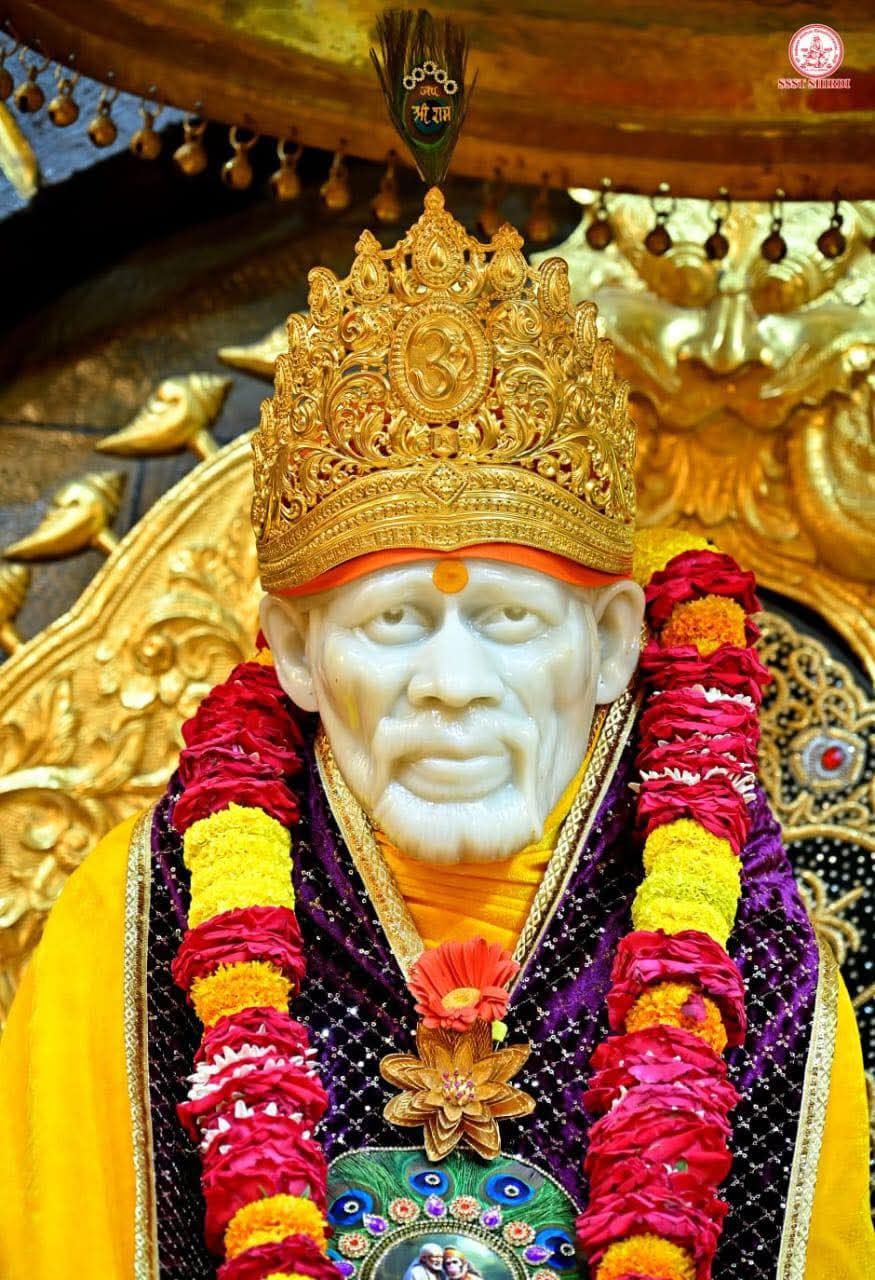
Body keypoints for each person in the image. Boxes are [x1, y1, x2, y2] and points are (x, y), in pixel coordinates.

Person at [0, 185, 871, 1280]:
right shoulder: (135, 923)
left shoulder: (748, 955)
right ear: (298, 651)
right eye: (394, 621)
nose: (452, 683)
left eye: (508, 620)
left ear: (609, 642)